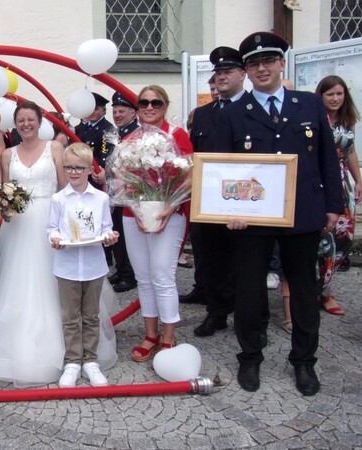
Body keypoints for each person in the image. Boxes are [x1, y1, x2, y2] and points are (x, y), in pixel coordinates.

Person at [217, 32, 343, 396]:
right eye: (254, 64)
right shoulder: (234, 113)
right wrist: (230, 210)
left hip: (303, 213)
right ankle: (250, 356)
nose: (261, 68)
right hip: (251, 218)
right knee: (249, 291)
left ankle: (304, 361)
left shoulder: (308, 105)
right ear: (246, 71)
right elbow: (225, 170)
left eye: (268, 61)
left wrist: (333, 205)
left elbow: (326, 159)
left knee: (304, 289)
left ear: (281, 63)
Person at [0, 101, 117, 387]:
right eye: (21, 120)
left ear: (41, 121)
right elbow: (6, 190)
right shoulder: (7, 155)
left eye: (31, 119)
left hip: (52, 218)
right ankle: (31, 349)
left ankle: (82, 354)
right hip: (19, 226)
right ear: (14, 124)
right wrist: (5, 207)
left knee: (61, 281)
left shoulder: (54, 148)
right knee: (19, 284)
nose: (26, 124)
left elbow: (65, 185)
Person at [124, 85, 192, 363]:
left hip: (169, 213)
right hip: (134, 216)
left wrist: (170, 205)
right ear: (137, 107)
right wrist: (137, 209)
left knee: (163, 276)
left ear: (165, 106)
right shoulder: (130, 139)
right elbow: (123, 179)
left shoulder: (176, 135)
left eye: (156, 103)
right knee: (143, 277)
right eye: (144, 103)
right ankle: (150, 334)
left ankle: (168, 335)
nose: (149, 107)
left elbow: (190, 174)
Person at [48, 143, 119, 387]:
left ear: (90, 169)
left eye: (79, 167)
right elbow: (52, 228)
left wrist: (109, 236)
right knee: (69, 316)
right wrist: (55, 238)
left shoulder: (101, 199)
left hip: (93, 265)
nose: (74, 172)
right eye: (69, 167)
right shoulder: (58, 199)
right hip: (66, 265)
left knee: (91, 315)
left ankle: (90, 360)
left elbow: (106, 227)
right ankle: (72, 361)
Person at [188, 46, 247, 337]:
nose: (222, 77)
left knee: (247, 261)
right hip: (208, 200)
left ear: (242, 74)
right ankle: (217, 312)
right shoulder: (202, 114)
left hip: (246, 201)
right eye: (218, 73)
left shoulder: (254, 109)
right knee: (210, 258)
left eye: (228, 72)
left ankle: (251, 318)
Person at [314, 75, 360, 316]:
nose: (335, 98)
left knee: (344, 239)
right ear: (321, 96)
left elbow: (350, 151)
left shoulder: (346, 121)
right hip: (322, 184)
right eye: (330, 94)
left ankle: (325, 287)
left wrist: (358, 180)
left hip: (344, 186)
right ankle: (323, 293)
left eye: (339, 93)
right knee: (324, 241)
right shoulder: (315, 119)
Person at [107, 92, 139, 294]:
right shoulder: (117, 133)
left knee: (126, 233)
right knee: (116, 230)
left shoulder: (135, 134)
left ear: (133, 113)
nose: (117, 115)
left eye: (122, 111)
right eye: (115, 111)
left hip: (129, 192)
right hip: (115, 190)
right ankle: (121, 268)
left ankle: (130, 274)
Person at [73, 92, 116, 188]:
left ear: (104, 111)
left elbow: (106, 157)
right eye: (90, 109)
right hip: (80, 176)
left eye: (96, 109)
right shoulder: (81, 128)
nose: (92, 112)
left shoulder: (108, 129)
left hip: (95, 177)